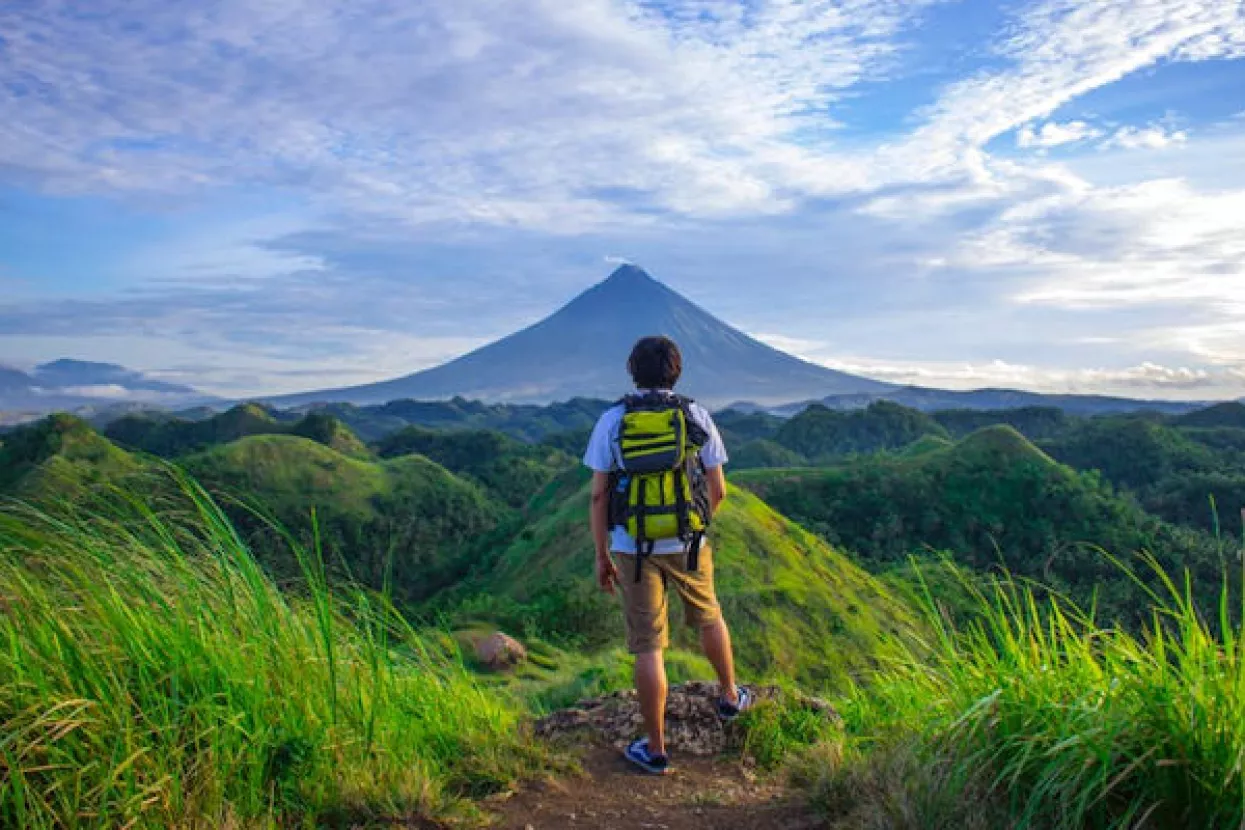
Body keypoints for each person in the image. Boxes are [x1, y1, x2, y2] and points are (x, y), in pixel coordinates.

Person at [582, 335, 753, 775]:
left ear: (632, 371)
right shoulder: (694, 414)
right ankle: (730, 697)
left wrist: (602, 555)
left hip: (632, 546)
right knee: (710, 615)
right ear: (676, 371)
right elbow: (718, 489)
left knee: (648, 645)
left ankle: (656, 750)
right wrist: (693, 525)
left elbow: (599, 496)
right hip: (688, 542)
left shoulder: (613, 419)